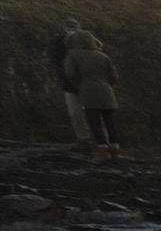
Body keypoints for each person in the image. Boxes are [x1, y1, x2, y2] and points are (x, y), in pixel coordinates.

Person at [63, 30, 121, 159]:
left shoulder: (72, 55)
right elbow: (114, 76)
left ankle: (102, 148)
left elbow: (71, 74)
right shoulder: (102, 55)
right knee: (109, 122)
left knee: (94, 121)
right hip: (107, 92)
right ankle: (115, 148)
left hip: (87, 91)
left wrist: (80, 83)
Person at [46, 18, 91, 145]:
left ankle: (101, 141)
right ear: (64, 29)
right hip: (70, 84)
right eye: (68, 28)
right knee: (75, 113)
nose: (71, 30)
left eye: (73, 28)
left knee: (93, 113)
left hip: (87, 84)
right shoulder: (59, 42)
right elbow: (53, 59)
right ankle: (84, 140)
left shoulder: (88, 42)